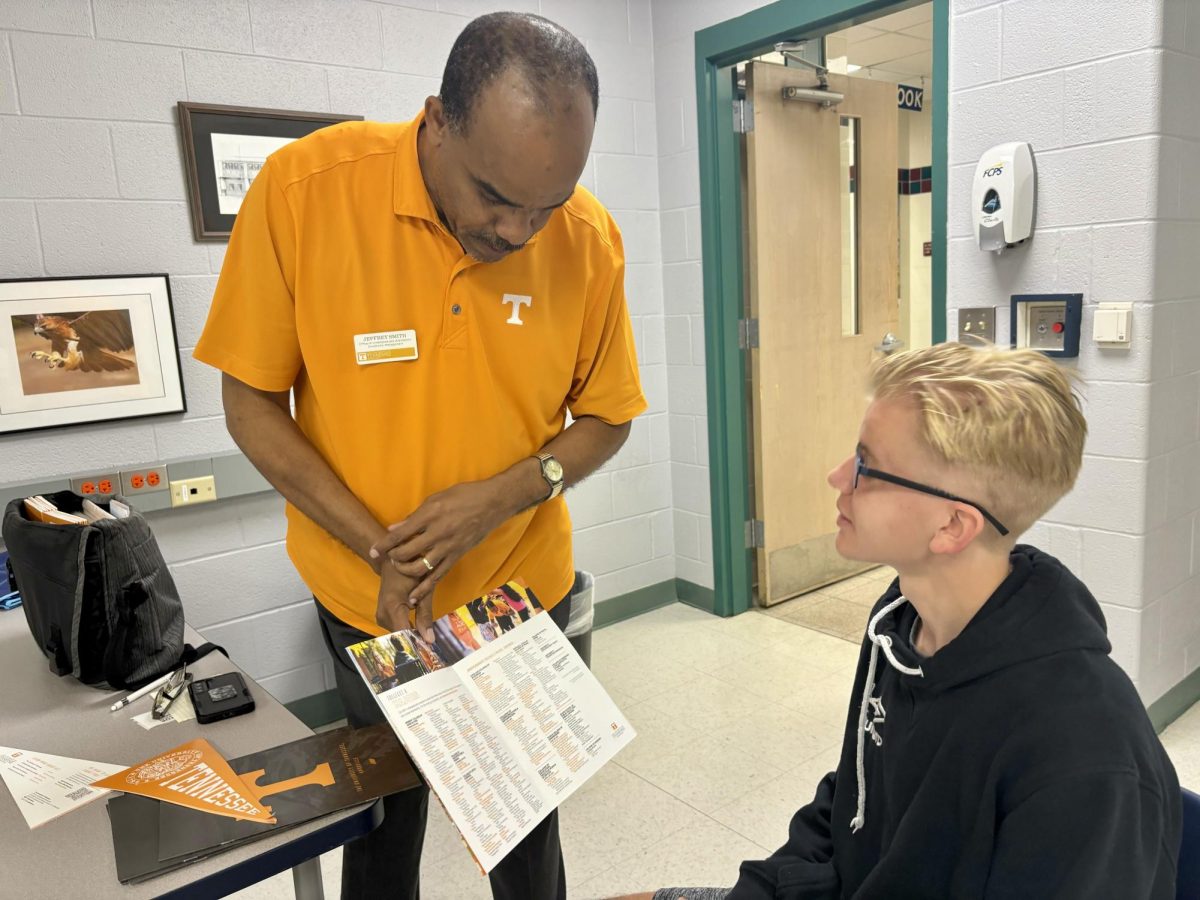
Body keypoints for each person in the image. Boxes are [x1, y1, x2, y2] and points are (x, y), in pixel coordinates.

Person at [193, 12, 645, 900]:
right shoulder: (304, 192)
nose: (518, 231)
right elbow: (249, 398)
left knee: (522, 832)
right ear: (436, 120)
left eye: (543, 205)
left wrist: (506, 494)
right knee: (384, 829)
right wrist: (381, 548)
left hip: (518, 599)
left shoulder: (585, 237)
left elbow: (607, 416)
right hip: (372, 602)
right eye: (493, 196)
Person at [626, 343, 1181, 900]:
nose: (838, 476)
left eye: (868, 466)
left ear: (952, 526)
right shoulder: (901, 622)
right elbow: (850, 809)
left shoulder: (1083, 756)